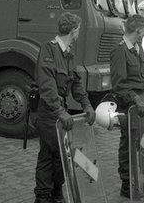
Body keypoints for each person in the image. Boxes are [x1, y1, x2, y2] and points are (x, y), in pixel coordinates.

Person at [33, 12, 96, 203]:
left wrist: (87, 105)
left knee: (54, 154)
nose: (79, 33)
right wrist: (60, 112)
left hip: (59, 109)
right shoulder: (49, 49)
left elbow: (75, 82)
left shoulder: (69, 52)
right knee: (55, 153)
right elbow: (47, 85)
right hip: (47, 111)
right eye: (78, 29)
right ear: (73, 30)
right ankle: (45, 195)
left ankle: (53, 193)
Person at [110, 15, 144, 198]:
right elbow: (119, 84)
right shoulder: (120, 51)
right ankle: (128, 184)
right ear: (138, 31)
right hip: (130, 105)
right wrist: (136, 100)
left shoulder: (138, 48)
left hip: (143, 104)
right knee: (129, 144)